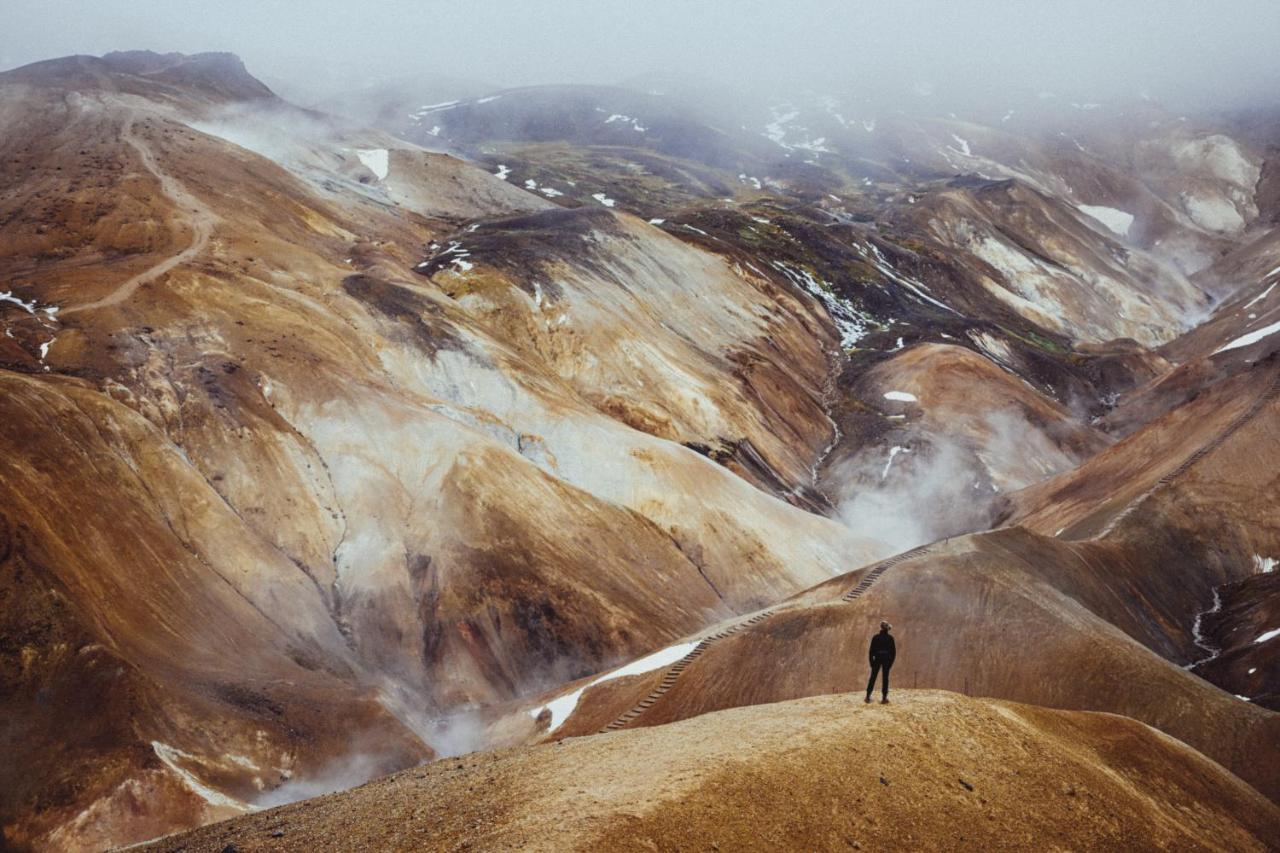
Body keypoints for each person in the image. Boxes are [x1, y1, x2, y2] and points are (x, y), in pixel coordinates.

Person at [865, 621, 895, 704]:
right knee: (885, 678)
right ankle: (884, 698)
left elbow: (871, 651)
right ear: (887, 629)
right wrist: (890, 663)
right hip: (886, 660)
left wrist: (871, 662)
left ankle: (868, 696)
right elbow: (893, 652)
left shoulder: (875, 637)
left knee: (873, 677)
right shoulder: (890, 638)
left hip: (877, 659)